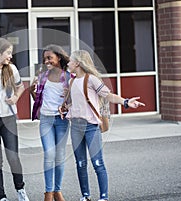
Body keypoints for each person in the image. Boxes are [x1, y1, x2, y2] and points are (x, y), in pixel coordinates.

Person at [59, 50, 145, 201]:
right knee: (80, 163)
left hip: (91, 127)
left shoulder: (91, 79)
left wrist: (126, 102)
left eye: (70, 61)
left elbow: (108, 95)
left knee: (97, 163)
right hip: (76, 127)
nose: (68, 63)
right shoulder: (72, 81)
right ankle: (85, 196)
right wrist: (65, 106)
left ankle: (103, 197)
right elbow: (74, 102)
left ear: (78, 63)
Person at [0, 38, 29, 201]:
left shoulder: (11, 69)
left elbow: (20, 86)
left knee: (13, 157)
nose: (10, 55)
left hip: (8, 118)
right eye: (8, 52)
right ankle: (1, 196)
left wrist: (16, 97)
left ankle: (20, 190)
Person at [30, 44, 72, 201]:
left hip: (61, 120)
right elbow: (38, 100)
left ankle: (57, 191)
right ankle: (48, 192)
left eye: (50, 58)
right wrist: (33, 92)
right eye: (45, 58)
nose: (46, 60)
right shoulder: (42, 76)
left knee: (59, 156)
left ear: (58, 58)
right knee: (49, 154)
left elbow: (73, 100)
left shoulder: (68, 77)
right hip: (46, 120)